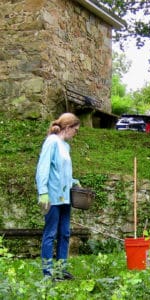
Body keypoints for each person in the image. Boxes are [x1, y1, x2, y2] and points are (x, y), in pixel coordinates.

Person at [36, 112, 81, 280]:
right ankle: (48, 273)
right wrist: (43, 192)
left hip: (65, 196)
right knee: (50, 234)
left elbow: (63, 172)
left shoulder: (65, 146)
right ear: (68, 127)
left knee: (65, 233)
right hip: (52, 196)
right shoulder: (51, 142)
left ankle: (61, 270)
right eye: (75, 130)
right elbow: (43, 167)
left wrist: (73, 181)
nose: (75, 133)